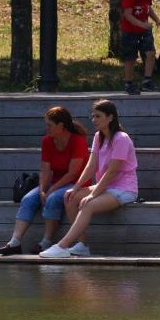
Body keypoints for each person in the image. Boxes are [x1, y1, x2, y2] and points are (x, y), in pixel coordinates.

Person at [41, 99, 138, 258]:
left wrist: (92, 194)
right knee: (70, 197)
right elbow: (91, 166)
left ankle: (62, 245)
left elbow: (112, 172)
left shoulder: (121, 138)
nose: (93, 120)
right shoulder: (98, 137)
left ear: (110, 118)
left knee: (88, 204)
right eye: (92, 116)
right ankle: (82, 245)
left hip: (124, 189)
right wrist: (76, 188)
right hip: (106, 187)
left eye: (98, 116)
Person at [0, 106, 90, 256]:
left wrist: (51, 190)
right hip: (55, 182)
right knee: (28, 199)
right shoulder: (47, 141)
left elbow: (73, 173)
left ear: (61, 125)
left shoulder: (77, 141)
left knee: (52, 198)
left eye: (50, 125)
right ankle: (15, 242)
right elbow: (45, 170)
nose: (46, 128)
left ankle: (46, 242)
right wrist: (42, 189)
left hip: (76, 184)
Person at [121, 0, 160, 95]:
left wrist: (157, 20)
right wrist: (141, 24)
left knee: (150, 53)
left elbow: (148, 8)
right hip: (131, 31)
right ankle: (128, 82)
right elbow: (127, 15)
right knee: (130, 58)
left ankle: (147, 81)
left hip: (145, 30)